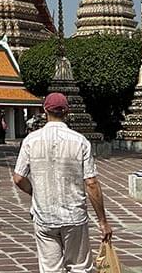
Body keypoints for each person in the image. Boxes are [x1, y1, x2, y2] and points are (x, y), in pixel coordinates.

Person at [12, 92, 112, 273]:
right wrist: (103, 221)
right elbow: (91, 183)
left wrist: (36, 192)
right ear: (67, 112)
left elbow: (18, 177)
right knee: (80, 267)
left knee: (51, 269)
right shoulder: (80, 141)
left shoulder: (31, 140)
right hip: (74, 215)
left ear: (45, 110)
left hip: (44, 215)